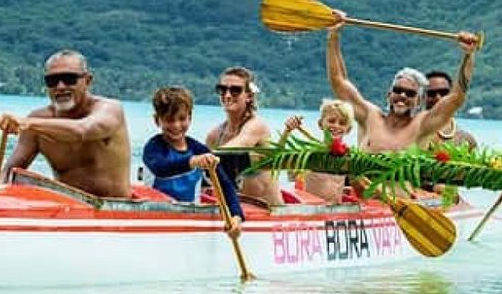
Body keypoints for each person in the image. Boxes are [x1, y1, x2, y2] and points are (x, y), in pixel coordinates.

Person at [0, 49, 132, 198]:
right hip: (66, 208)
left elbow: (82, 130)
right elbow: (10, 172)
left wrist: (27, 123)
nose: (60, 87)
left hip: (112, 209)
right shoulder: (38, 119)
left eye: (69, 79)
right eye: (52, 81)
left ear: (88, 80)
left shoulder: (109, 109)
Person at [326, 18, 480, 152]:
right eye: (398, 90)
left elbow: (456, 98)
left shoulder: (422, 125)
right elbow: (339, 81)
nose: (402, 96)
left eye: (410, 93)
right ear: (389, 94)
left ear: (419, 101)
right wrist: (334, 35)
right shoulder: (369, 116)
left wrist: (468, 55)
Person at [142, 86, 243, 239]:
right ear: (157, 120)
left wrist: (236, 216)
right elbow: (161, 168)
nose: (176, 125)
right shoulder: (153, 147)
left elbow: (225, 185)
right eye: (169, 120)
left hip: (189, 219)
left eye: (182, 118)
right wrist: (193, 161)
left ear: (190, 117)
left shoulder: (199, 149)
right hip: (157, 219)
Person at [203, 66, 280, 203]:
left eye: (235, 90)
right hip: (240, 211)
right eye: (222, 89)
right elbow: (206, 177)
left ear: (249, 96)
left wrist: (197, 158)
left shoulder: (257, 126)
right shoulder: (214, 136)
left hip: (270, 214)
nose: (227, 95)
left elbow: (237, 147)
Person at [282, 99, 357, 203]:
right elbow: (278, 159)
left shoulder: (349, 156)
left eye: (342, 123)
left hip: (335, 213)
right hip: (311, 210)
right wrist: (287, 131)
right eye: (331, 121)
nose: (336, 126)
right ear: (320, 124)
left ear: (348, 129)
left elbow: (358, 186)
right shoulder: (308, 154)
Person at [420, 70, 478, 150]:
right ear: (422, 97)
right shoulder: (411, 133)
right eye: (431, 93)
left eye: (444, 92)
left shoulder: (466, 139)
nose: (438, 97)